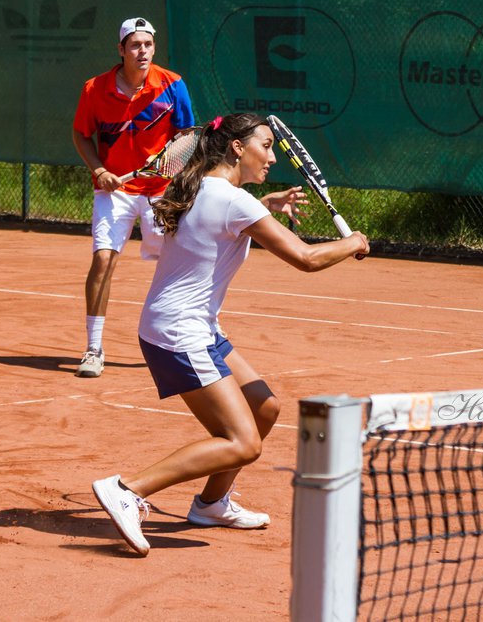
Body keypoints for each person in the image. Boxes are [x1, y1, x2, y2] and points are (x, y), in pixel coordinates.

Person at [91, 112, 369, 556]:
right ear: (238, 147)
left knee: (265, 407)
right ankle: (128, 489)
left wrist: (268, 204)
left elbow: (225, 212)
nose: (273, 157)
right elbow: (306, 258)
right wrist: (353, 242)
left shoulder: (199, 184)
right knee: (243, 442)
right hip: (180, 332)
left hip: (192, 325)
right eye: (266, 145)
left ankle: (211, 504)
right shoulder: (234, 201)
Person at [71, 17, 195, 378]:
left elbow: (188, 136)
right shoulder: (95, 89)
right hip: (115, 193)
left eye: (148, 44)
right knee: (103, 261)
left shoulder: (172, 85)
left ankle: (191, 336)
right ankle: (93, 348)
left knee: (179, 262)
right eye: (135, 45)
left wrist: (172, 172)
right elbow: (81, 136)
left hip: (161, 190)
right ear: (121, 50)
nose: (143, 51)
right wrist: (100, 170)